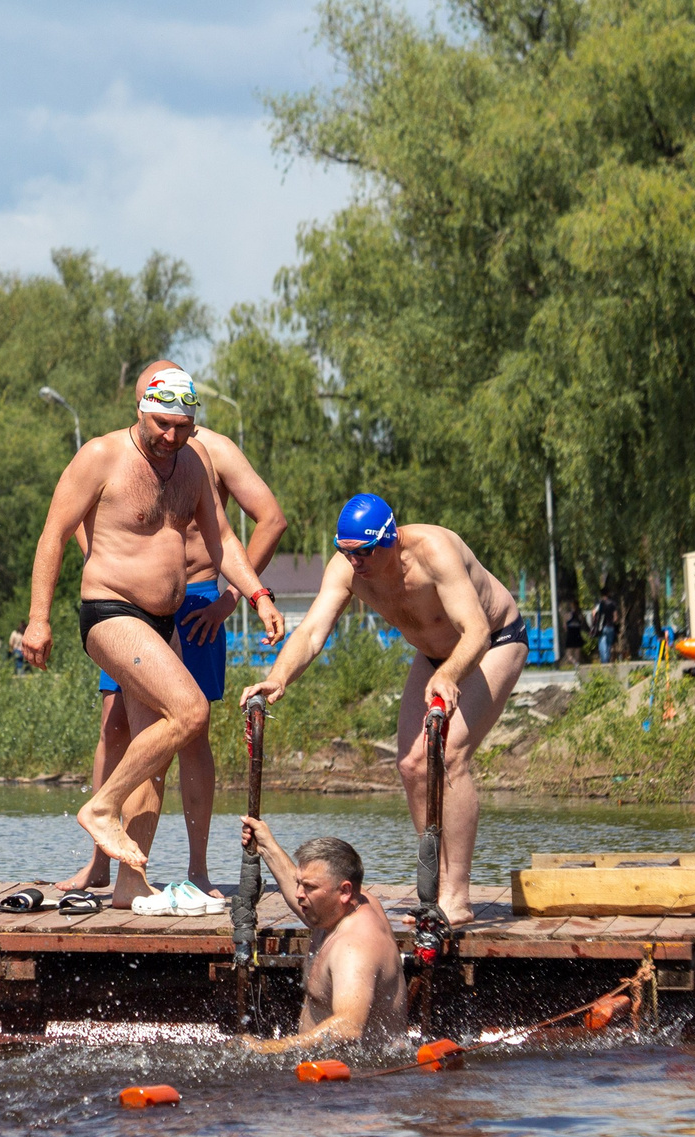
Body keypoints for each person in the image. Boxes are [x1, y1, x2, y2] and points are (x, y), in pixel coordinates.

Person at [57, 358, 289, 908]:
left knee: (172, 737)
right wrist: (61, 605)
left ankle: (155, 879)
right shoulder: (105, 454)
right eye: (162, 422)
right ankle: (102, 830)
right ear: (140, 407)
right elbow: (64, 530)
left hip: (189, 606)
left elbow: (238, 532)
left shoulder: (203, 457)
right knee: (154, 721)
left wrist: (249, 595)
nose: (172, 434)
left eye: (182, 425)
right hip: (118, 610)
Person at [239, 493, 525, 928]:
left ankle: (457, 897)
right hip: (434, 657)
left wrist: (450, 675)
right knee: (411, 765)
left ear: (390, 539)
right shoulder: (347, 569)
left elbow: (476, 631)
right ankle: (436, 886)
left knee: (450, 755)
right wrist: (277, 677)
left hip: (494, 643)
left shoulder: (435, 551)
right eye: (347, 552)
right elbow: (314, 630)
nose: (356, 562)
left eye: (365, 552)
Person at [235, 822, 406, 1053]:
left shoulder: (354, 948)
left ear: (344, 891)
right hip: (329, 1070)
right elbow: (305, 886)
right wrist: (266, 846)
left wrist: (268, 1048)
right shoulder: (342, 905)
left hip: (357, 1080)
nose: (299, 895)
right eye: (299, 883)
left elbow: (349, 1026)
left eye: (309, 887)